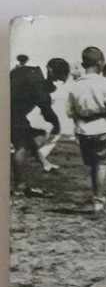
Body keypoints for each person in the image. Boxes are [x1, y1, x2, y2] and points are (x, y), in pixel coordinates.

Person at [65, 46, 106, 213]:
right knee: (101, 165)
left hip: (83, 130)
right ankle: (98, 199)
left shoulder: (75, 86)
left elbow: (69, 112)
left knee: (92, 165)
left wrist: (81, 118)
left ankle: (96, 196)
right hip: (103, 128)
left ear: (83, 64)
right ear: (101, 63)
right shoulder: (105, 83)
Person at [11, 56, 70, 195]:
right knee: (23, 146)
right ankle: (20, 186)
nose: (55, 82)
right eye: (56, 78)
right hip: (12, 113)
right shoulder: (38, 84)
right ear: (50, 70)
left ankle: (43, 163)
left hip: (13, 112)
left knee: (27, 136)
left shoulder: (27, 71)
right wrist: (56, 125)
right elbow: (47, 111)